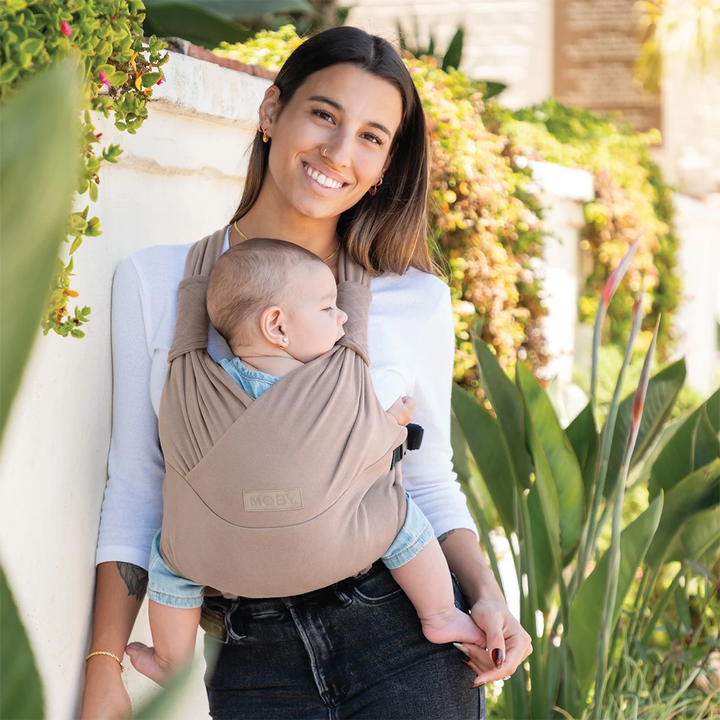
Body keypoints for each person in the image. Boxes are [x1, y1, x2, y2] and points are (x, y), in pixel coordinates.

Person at [81, 26, 532, 720]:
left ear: (385, 166)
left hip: (401, 638)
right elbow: (140, 486)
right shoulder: (158, 282)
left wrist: (485, 594)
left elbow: (428, 478)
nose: (338, 152)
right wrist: (103, 667)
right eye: (324, 115)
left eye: (371, 137)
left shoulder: (413, 300)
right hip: (246, 656)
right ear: (271, 113)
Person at [124, 238, 485, 685]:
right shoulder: (330, 385)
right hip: (346, 554)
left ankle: (170, 662)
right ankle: (440, 613)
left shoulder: (198, 384)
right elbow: (367, 444)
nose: (343, 316)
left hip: (218, 565)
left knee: (172, 560)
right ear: (277, 326)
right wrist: (395, 421)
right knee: (400, 517)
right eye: (327, 308)